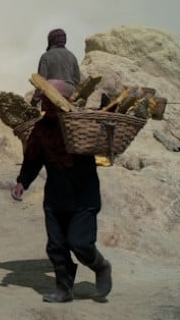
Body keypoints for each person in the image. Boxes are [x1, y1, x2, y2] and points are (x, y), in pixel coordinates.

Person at [11, 79, 112, 303]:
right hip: (56, 198)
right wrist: (22, 182)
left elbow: (104, 137)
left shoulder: (82, 125)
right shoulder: (40, 128)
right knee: (56, 246)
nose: (45, 105)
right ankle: (64, 289)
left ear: (66, 100)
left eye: (50, 100)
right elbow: (33, 159)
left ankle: (101, 266)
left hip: (83, 197)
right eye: (44, 101)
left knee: (80, 243)